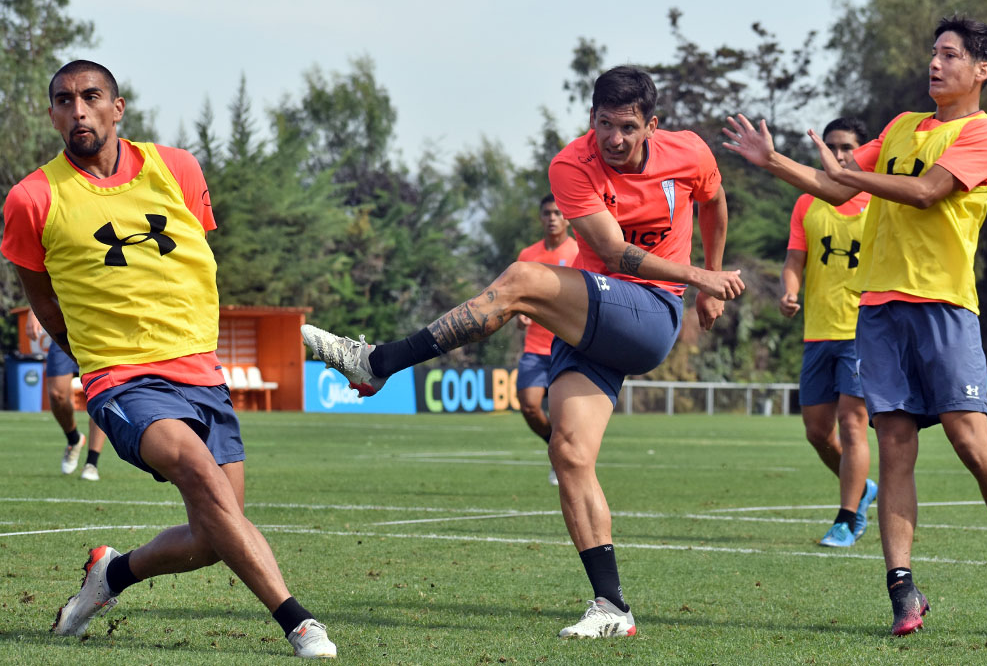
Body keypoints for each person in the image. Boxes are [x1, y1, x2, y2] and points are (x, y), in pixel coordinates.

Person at [303, 65, 744, 639]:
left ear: (651, 126)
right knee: (568, 453)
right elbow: (611, 252)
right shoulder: (571, 164)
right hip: (597, 317)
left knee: (522, 281)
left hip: (652, 314)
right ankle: (612, 607)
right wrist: (703, 276)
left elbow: (714, 201)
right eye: (604, 123)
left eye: (627, 127)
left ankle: (378, 361)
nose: (613, 138)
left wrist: (705, 281)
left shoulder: (688, 153)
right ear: (591, 118)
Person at [723, 16, 987, 635]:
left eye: (950, 55)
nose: (936, 62)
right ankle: (902, 589)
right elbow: (832, 187)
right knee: (895, 448)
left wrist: (847, 175)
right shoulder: (901, 127)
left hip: (945, 306)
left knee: (969, 441)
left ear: (980, 71)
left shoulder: (986, 134)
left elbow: (926, 191)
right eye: (933, 52)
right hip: (877, 309)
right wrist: (773, 162)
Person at [1, 60, 336, 658]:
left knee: (212, 536)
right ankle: (297, 620)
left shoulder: (177, 167)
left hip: (200, 373)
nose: (77, 109)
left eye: (90, 96)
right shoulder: (32, 198)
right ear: (51, 114)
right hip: (121, 380)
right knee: (196, 470)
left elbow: (189, 259)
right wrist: (94, 360)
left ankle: (113, 574)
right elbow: (42, 298)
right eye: (63, 100)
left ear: (117, 106)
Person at [780, 118, 876, 548]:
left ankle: (846, 517)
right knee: (817, 432)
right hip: (817, 332)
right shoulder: (807, 202)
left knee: (854, 423)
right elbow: (794, 262)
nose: (839, 155)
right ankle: (862, 489)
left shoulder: (878, 199)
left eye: (847, 147)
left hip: (863, 329)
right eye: (832, 146)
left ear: (863, 151)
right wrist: (789, 292)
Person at [514, 194, 579, 486]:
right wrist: (520, 314)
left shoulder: (580, 253)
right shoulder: (528, 255)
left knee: (563, 413)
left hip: (568, 346)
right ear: (540, 218)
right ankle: (556, 450)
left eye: (557, 212)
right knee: (528, 405)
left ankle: (564, 458)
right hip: (536, 347)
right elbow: (517, 298)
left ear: (566, 218)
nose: (552, 218)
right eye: (547, 213)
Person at [26, 314, 109, 480]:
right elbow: (44, 287)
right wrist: (32, 311)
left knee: (100, 393)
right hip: (67, 325)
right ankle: (74, 439)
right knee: (56, 394)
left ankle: (91, 463)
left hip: (101, 330)